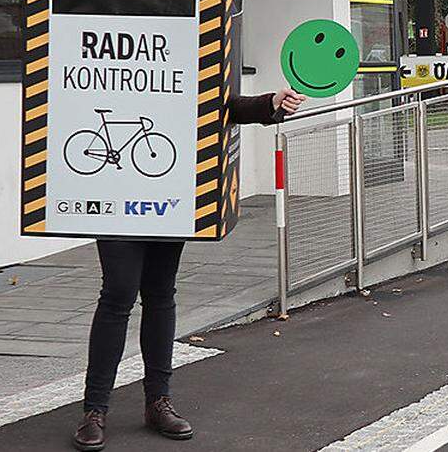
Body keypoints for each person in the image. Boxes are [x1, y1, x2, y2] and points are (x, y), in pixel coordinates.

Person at [73, 88, 306, 452]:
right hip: (114, 197)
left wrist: (269, 103)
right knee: (118, 293)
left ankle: (157, 402)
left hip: (168, 196)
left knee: (160, 294)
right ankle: (94, 410)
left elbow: (219, 102)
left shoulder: (186, 46)